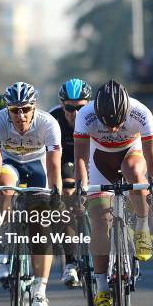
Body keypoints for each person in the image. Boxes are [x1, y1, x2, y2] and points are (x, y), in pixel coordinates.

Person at [74, 80, 153, 306]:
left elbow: (152, 155)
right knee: (100, 222)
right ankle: (102, 289)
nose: (112, 129)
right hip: (99, 160)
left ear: (127, 112)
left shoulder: (141, 113)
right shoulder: (85, 115)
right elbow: (80, 158)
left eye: (118, 123)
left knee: (135, 170)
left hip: (130, 153)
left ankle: (142, 230)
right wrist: (82, 188)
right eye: (106, 123)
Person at [0, 82, 62, 306]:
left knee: (41, 226)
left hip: (38, 167)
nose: (20, 115)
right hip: (10, 164)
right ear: (8, 110)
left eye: (25, 109)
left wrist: (56, 193)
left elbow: (53, 165)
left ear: (34, 107)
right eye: (15, 110)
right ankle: (2, 235)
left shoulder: (48, 123)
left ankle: (40, 290)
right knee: (5, 187)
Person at [49, 78, 92, 287]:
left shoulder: (95, 117)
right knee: (67, 198)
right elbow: (50, 160)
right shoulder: (53, 119)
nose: (75, 114)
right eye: (69, 108)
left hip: (92, 160)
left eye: (80, 108)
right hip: (66, 161)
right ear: (61, 104)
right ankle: (71, 262)